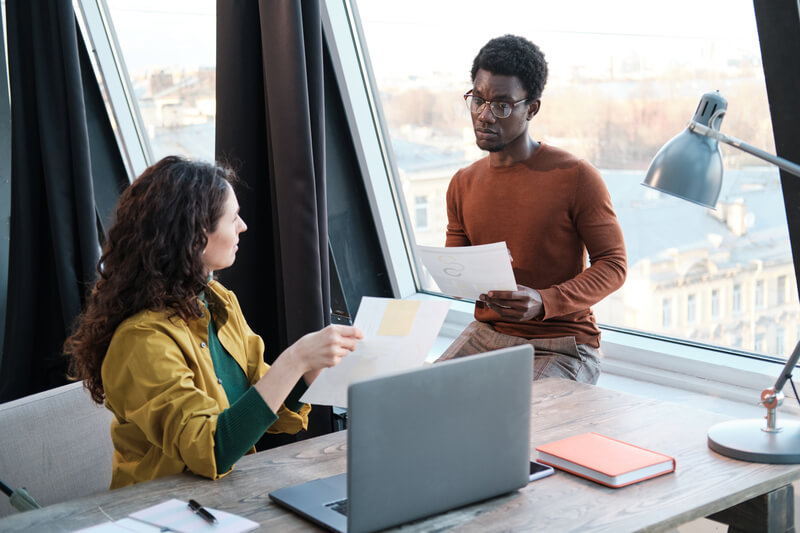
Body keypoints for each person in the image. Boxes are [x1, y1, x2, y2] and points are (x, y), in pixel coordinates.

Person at [65, 156, 363, 489]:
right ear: (195, 237)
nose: (243, 226)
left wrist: (307, 373)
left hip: (226, 496)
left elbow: (262, 406)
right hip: (164, 510)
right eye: (232, 217)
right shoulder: (141, 341)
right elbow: (211, 448)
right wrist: (295, 359)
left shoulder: (217, 300)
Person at [436, 35, 627, 384]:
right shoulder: (462, 183)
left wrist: (544, 299)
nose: (484, 115)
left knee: (517, 423)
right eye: (477, 100)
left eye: (502, 105)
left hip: (560, 343)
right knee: (407, 406)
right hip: (486, 336)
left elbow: (613, 266)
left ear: (532, 109)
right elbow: (459, 268)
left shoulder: (576, 176)